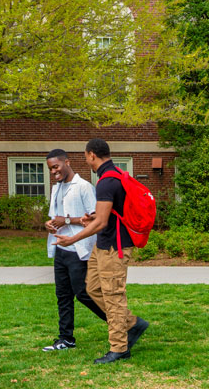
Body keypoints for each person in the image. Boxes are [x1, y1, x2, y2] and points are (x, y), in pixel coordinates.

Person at [53, 138, 149, 364]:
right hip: (103, 245)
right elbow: (108, 213)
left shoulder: (107, 181)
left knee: (113, 296)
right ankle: (132, 323)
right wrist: (92, 217)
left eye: (85, 156)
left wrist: (72, 239)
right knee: (93, 288)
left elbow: (102, 222)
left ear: (92, 155)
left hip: (114, 247)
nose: (85, 159)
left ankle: (119, 348)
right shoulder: (112, 175)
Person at [42, 149, 107, 351]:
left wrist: (68, 220)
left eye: (56, 167)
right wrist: (50, 223)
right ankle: (66, 338)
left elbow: (96, 219)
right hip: (60, 248)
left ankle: (122, 323)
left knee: (84, 293)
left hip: (79, 249)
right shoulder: (56, 189)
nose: (53, 172)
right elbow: (56, 217)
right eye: (50, 169)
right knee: (63, 295)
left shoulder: (84, 187)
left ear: (67, 162)